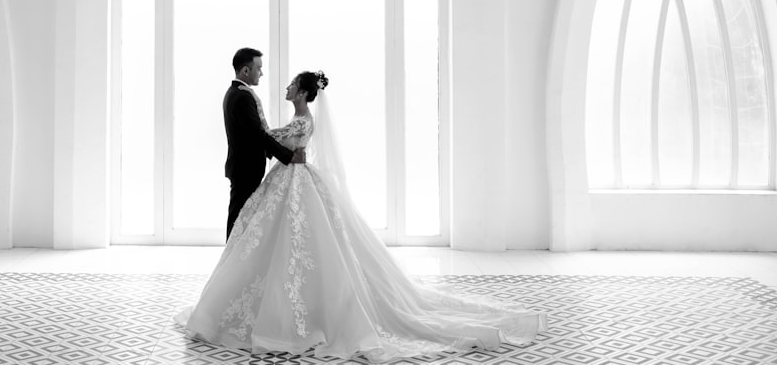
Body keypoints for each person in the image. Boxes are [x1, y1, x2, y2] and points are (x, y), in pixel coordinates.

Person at [177, 70, 547, 362]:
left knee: (298, 244)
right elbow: (273, 138)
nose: (287, 88)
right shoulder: (300, 120)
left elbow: (271, 136)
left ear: (304, 93)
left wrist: (260, 135)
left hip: (295, 181)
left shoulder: (301, 122)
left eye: (292, 85)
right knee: (280, 243)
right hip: (290, 177)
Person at [224, 48, 305, 239]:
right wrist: (288, 156)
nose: (261, 73)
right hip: (245, 168)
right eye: (258, 68)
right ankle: (230, 264)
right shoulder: (242, 96)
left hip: (243, 166)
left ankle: (233, 262)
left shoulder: (238, 92)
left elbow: (256, 134)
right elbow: (257, 134)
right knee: (239, 217)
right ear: (245, 71)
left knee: (242, 216)